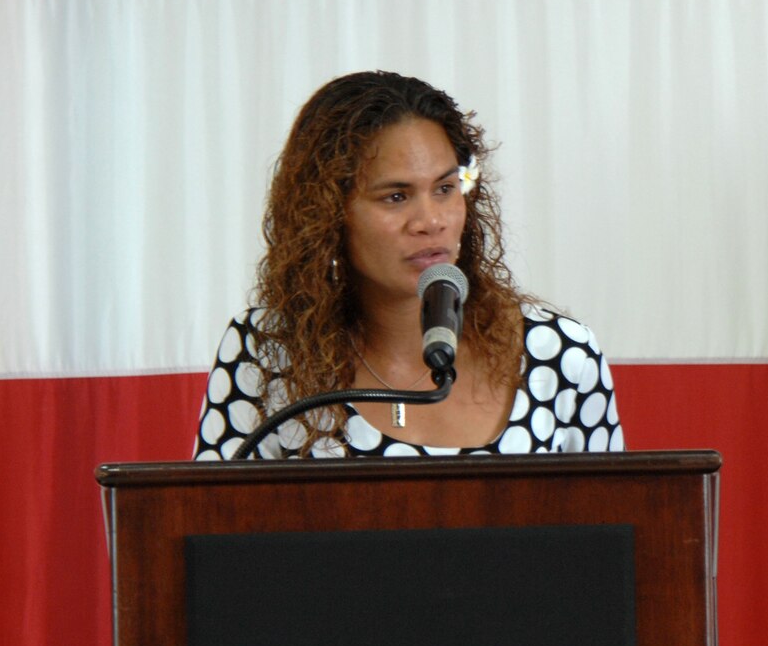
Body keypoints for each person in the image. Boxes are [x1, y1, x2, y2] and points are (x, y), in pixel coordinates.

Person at [193, 71, 623, 459]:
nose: (431, 221)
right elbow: (212, 531)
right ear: (326, 216)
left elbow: (609, 535)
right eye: (396, 196)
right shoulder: (267, 353)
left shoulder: (562, 353)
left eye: (445, 188)